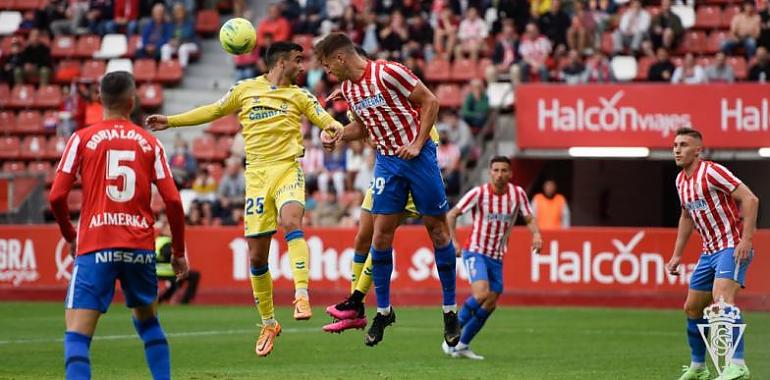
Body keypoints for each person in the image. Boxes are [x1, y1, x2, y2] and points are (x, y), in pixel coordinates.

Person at [145, 41, 343, 357]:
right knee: (256, 258)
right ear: (281, 62)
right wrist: (172, 121)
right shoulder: (245, 90)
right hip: (256, 178)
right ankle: (268, 323)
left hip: (287, 170)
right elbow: (212, 110)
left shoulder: (300, 96)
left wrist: (331, 132)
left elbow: (327, 120)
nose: (302, 66)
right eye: (297, 60)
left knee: (291, 221)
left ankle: (301, 293)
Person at [314, 32, 461, 348]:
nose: (328, 73)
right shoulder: (351, 90)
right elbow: (363, 129)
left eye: (328, 66)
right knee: (380, 235)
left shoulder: (388, 72)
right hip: (387, 163)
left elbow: (430, 101)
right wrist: (338, 134)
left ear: (340, 58)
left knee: (438, 231)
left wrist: (418, 142)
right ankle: (383, 311)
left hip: (419, 157)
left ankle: (450, 310)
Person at [48, 71, 188, 380]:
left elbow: (57, 196)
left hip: (96, 244)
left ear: (99, 100)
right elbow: (174, 202)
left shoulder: (81, 139)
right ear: (132, 101)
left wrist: (71, 236)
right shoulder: (150, 143)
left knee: (77, 336)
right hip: (138, 247)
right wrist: (178, 251)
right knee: (149, 323)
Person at [666, 127, 758, 380]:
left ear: (698, 150)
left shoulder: (712, 172)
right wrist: (677, 254)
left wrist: (746, 240)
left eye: (683, 145)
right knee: (693, 308)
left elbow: (750, 199)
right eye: (675, 145)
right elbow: (686, 216)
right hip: (709, 252)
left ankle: (738, 364)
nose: (677, 149)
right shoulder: (680, 181)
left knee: (722, 300)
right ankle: (699, 367)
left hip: (732, 246)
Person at [444, 156, 542, 360]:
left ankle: (462, 345)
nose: (499, 174)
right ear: (490, 172)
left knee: (490, 302)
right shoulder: (479, 193)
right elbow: (451, 214)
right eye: (496, 170)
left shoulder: (518, 194)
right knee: (481, 294)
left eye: (504, 170)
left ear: (510, 173)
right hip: (476, 251)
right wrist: (453, 242)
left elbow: (529, 217)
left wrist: (536, 234)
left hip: (497, 256)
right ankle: (452, 332)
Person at [155, 216, 200, 304]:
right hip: (166, 271)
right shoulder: (167, 241)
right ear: (163, 230)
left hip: (156, 270)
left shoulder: (158, 240)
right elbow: (167, 255)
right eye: (170, 229)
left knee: (178, 281)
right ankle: (185, 301)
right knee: (192, 275)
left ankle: (161, 299)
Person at [160, 3, 199, 68]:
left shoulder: (189, 22)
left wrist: (179, 41)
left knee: (183, 48)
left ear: (184, 12)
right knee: (165, 47)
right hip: (176, 45)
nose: (178, 13)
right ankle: (166, 68)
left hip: (191, 43)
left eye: (180, 11)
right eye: (176, 11)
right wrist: (170, 41)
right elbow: (168, 35)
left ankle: (182, 68)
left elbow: (188, 35)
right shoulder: (172, 23)